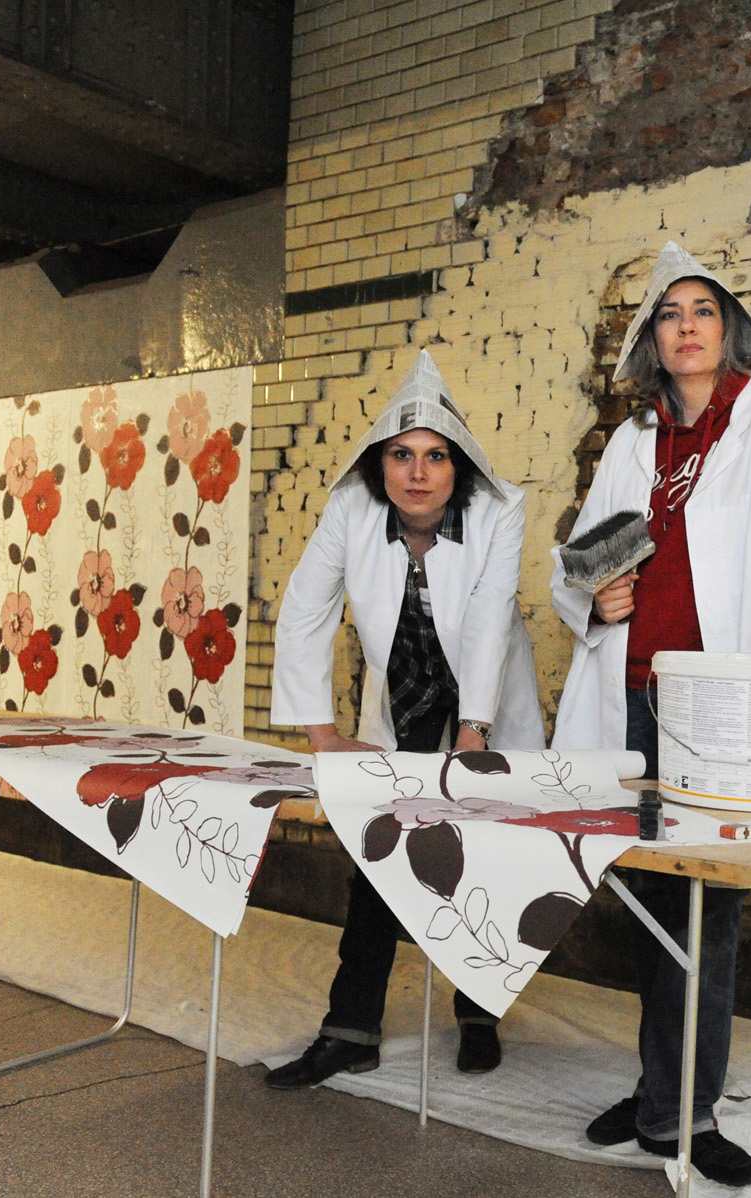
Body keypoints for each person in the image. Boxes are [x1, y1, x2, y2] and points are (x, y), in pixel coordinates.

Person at [550, 242, 751, 1187]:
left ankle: (684, 1111)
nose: (686, 327)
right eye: (670, 314)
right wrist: (594, 598)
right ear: (652, 339)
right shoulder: (635, 442)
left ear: (727, 329)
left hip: (715, 707)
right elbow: (584, 561)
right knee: (651, 900)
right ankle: (662, 1085)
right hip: (629, 694)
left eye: (702, 311)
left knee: (711, 905)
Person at [267, 350, 545, 1088]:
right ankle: (350, 1029)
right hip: (401, 701)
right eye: (401, 455)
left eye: (435, 457)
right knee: (378, 856)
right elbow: (304, 610)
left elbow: (487, 619)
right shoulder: (350, 510)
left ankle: (479, 1014)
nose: (418, 473)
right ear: (379, 464)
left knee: (487, 854)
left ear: (458, 468)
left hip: (485, 696)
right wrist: (323, 735)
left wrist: (475, 733)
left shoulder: (498, 511)